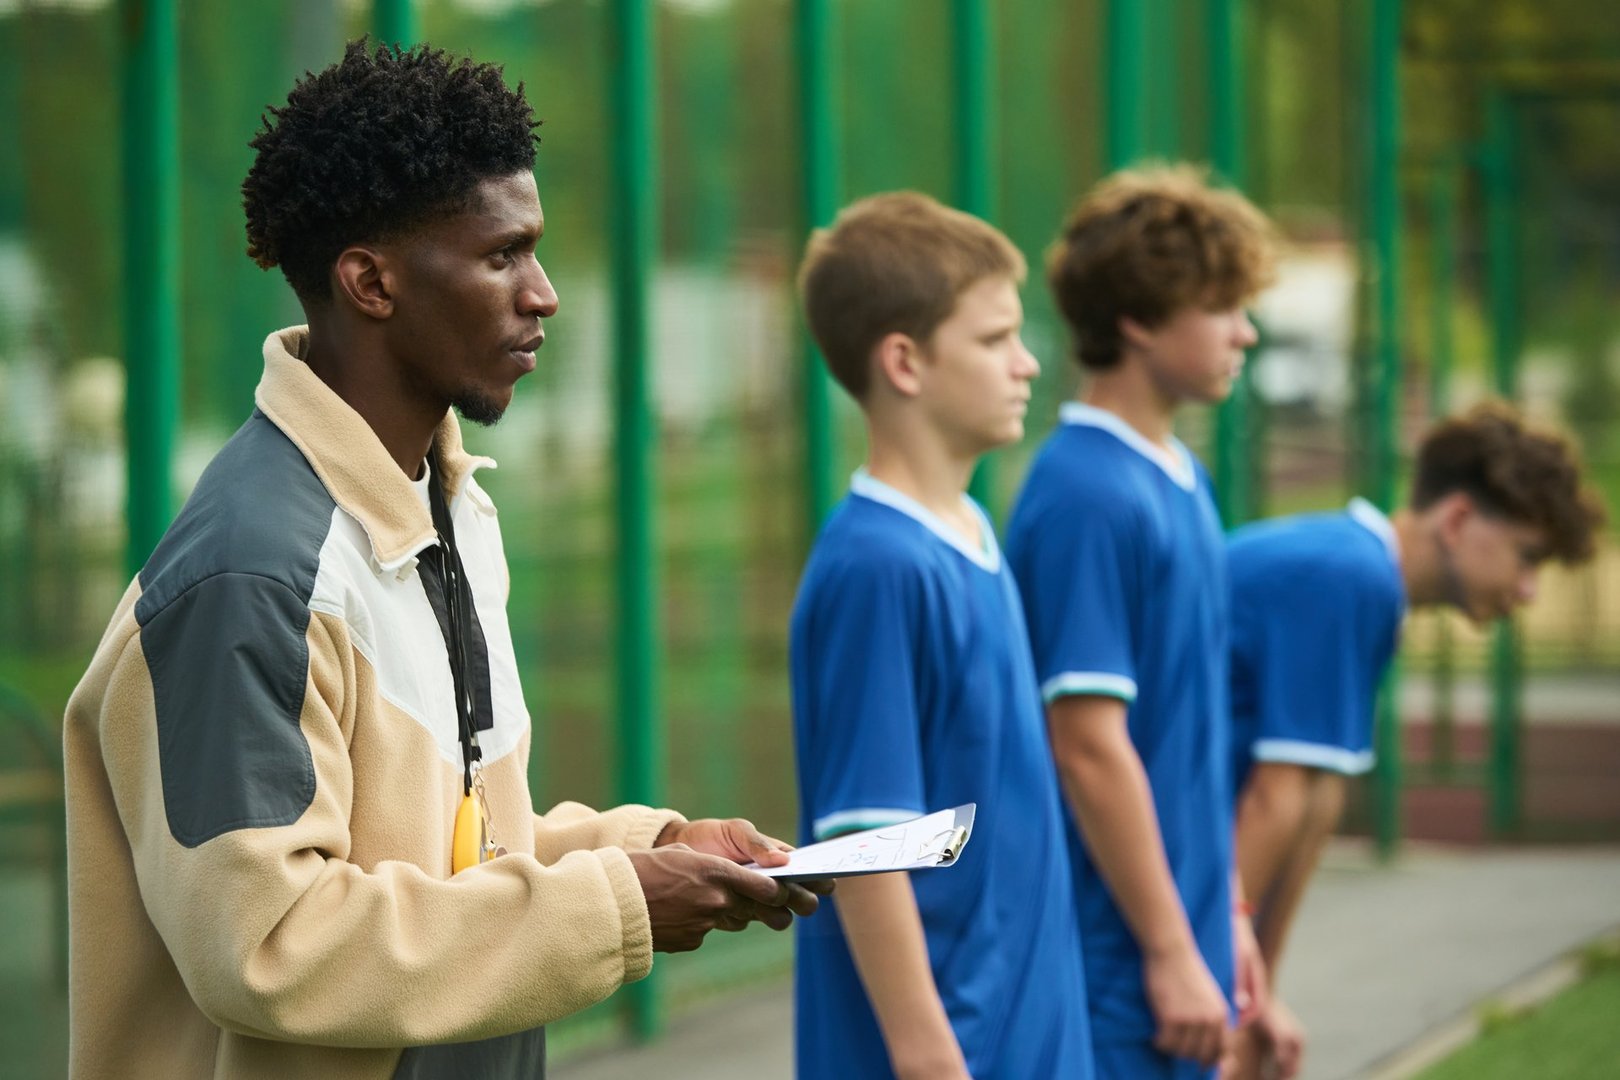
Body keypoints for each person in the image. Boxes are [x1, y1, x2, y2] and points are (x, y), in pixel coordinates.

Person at [62, 41, 823, 1080]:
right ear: (371, 282)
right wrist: (611, 906)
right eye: (502, 255)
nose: (544, 293)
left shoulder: (448, 507)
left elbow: (460, 855)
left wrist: (653, 850)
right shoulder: (253, 578)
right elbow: (269, 945)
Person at [788, 192, 1093, 1079]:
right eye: (997, 340)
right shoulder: (878, 565)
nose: (1028, 364)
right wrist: (932, 1060)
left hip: (1032, 1039)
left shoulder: (968, 532)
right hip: (952, 1054)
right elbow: (867, 846)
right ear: (905, 362)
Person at [1226, 402, 1604, 1080]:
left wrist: (1260, 997)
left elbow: (1315, 802)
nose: (1528, 591)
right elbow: (1273, 800)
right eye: (1526, 557)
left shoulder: (1368, 581)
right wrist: (1221, 988)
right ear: (1457, 520)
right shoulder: (1351, 575)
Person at [1005, 166, 1276, 1079]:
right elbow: (1087, 744)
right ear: (1138, 320)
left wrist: (1225, 917)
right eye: (1221, 306)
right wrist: (1166, 948)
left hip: (1181, 935)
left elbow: (1186, 740)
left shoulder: (1179, 478)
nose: (1247, 330)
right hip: (1110, 957)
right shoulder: (1086, 491)